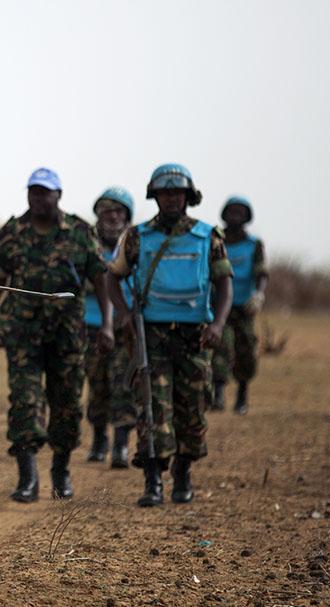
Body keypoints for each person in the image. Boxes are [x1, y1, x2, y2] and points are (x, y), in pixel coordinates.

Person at [0, 168, 113, 502]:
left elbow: (101, 280)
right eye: (33, 191)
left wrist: (107, 324)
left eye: (45, 192)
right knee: (25, 403)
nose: (38, 198)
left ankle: (61, 471)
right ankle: (27, 478)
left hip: (67, 336)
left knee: (66, 405)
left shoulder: (80, 233)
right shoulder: (11, 233)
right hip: (23, 335)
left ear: (58, 195)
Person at [106, 164, 233, 507]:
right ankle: (153, 481)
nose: (172, 199)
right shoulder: (138, 236)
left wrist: (218, 325)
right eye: (165, 193)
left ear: (188, 196)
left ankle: (183, 472)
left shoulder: (208, 237)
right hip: (152, 336)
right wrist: (124, 314)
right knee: (152, 407)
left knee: (192, 409)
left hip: (195, 337)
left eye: (178, 193)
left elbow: (225, 285)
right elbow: (112, 277)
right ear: (155, 196)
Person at [83, 187, 137, 468]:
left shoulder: (136, 245)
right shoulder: (85, 245)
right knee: (97, 383)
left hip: (126, 328)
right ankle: (99, 439)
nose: (112, 216)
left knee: (124, 383)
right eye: (107, 211)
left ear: (127, 216)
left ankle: (121, 445)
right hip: (90, 326)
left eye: (118, 211)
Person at [210, 196, 267, 414]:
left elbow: (262, 272)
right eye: (231, 211)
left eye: (240, 212)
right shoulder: (215, 240)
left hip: (244, 307)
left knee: (246, 350)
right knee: (220, 346)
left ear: (247, 216)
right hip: (219, 307)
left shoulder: (254, 245)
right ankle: (218, 394)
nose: (235, 216)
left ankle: (242, 395)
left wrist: (259, 295)